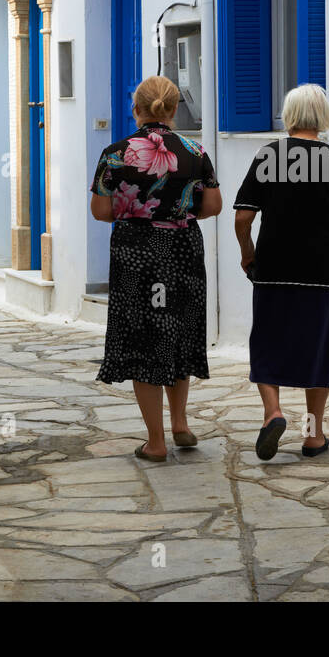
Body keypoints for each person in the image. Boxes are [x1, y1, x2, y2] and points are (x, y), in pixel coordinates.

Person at [233, 84, 329, 460]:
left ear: (289, 117)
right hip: (324, 273)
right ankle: (312, 436)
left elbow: (243, 216)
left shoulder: (269, 157)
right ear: (323, 119)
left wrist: (247, 252)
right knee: (318, 349)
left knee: (267, 342)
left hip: (274, 269)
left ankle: (273, 414)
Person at [90, 76, 223, 462]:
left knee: (142, 337)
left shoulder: (116, 154)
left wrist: (136, 210)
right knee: (177, 329)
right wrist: (179, 212)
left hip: (136, 252)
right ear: (173, 108)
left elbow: (101, 211)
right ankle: (180, 423)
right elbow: (212, 206)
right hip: (181, 248)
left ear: (137, 109)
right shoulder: (194, 151)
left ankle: (156, 441)